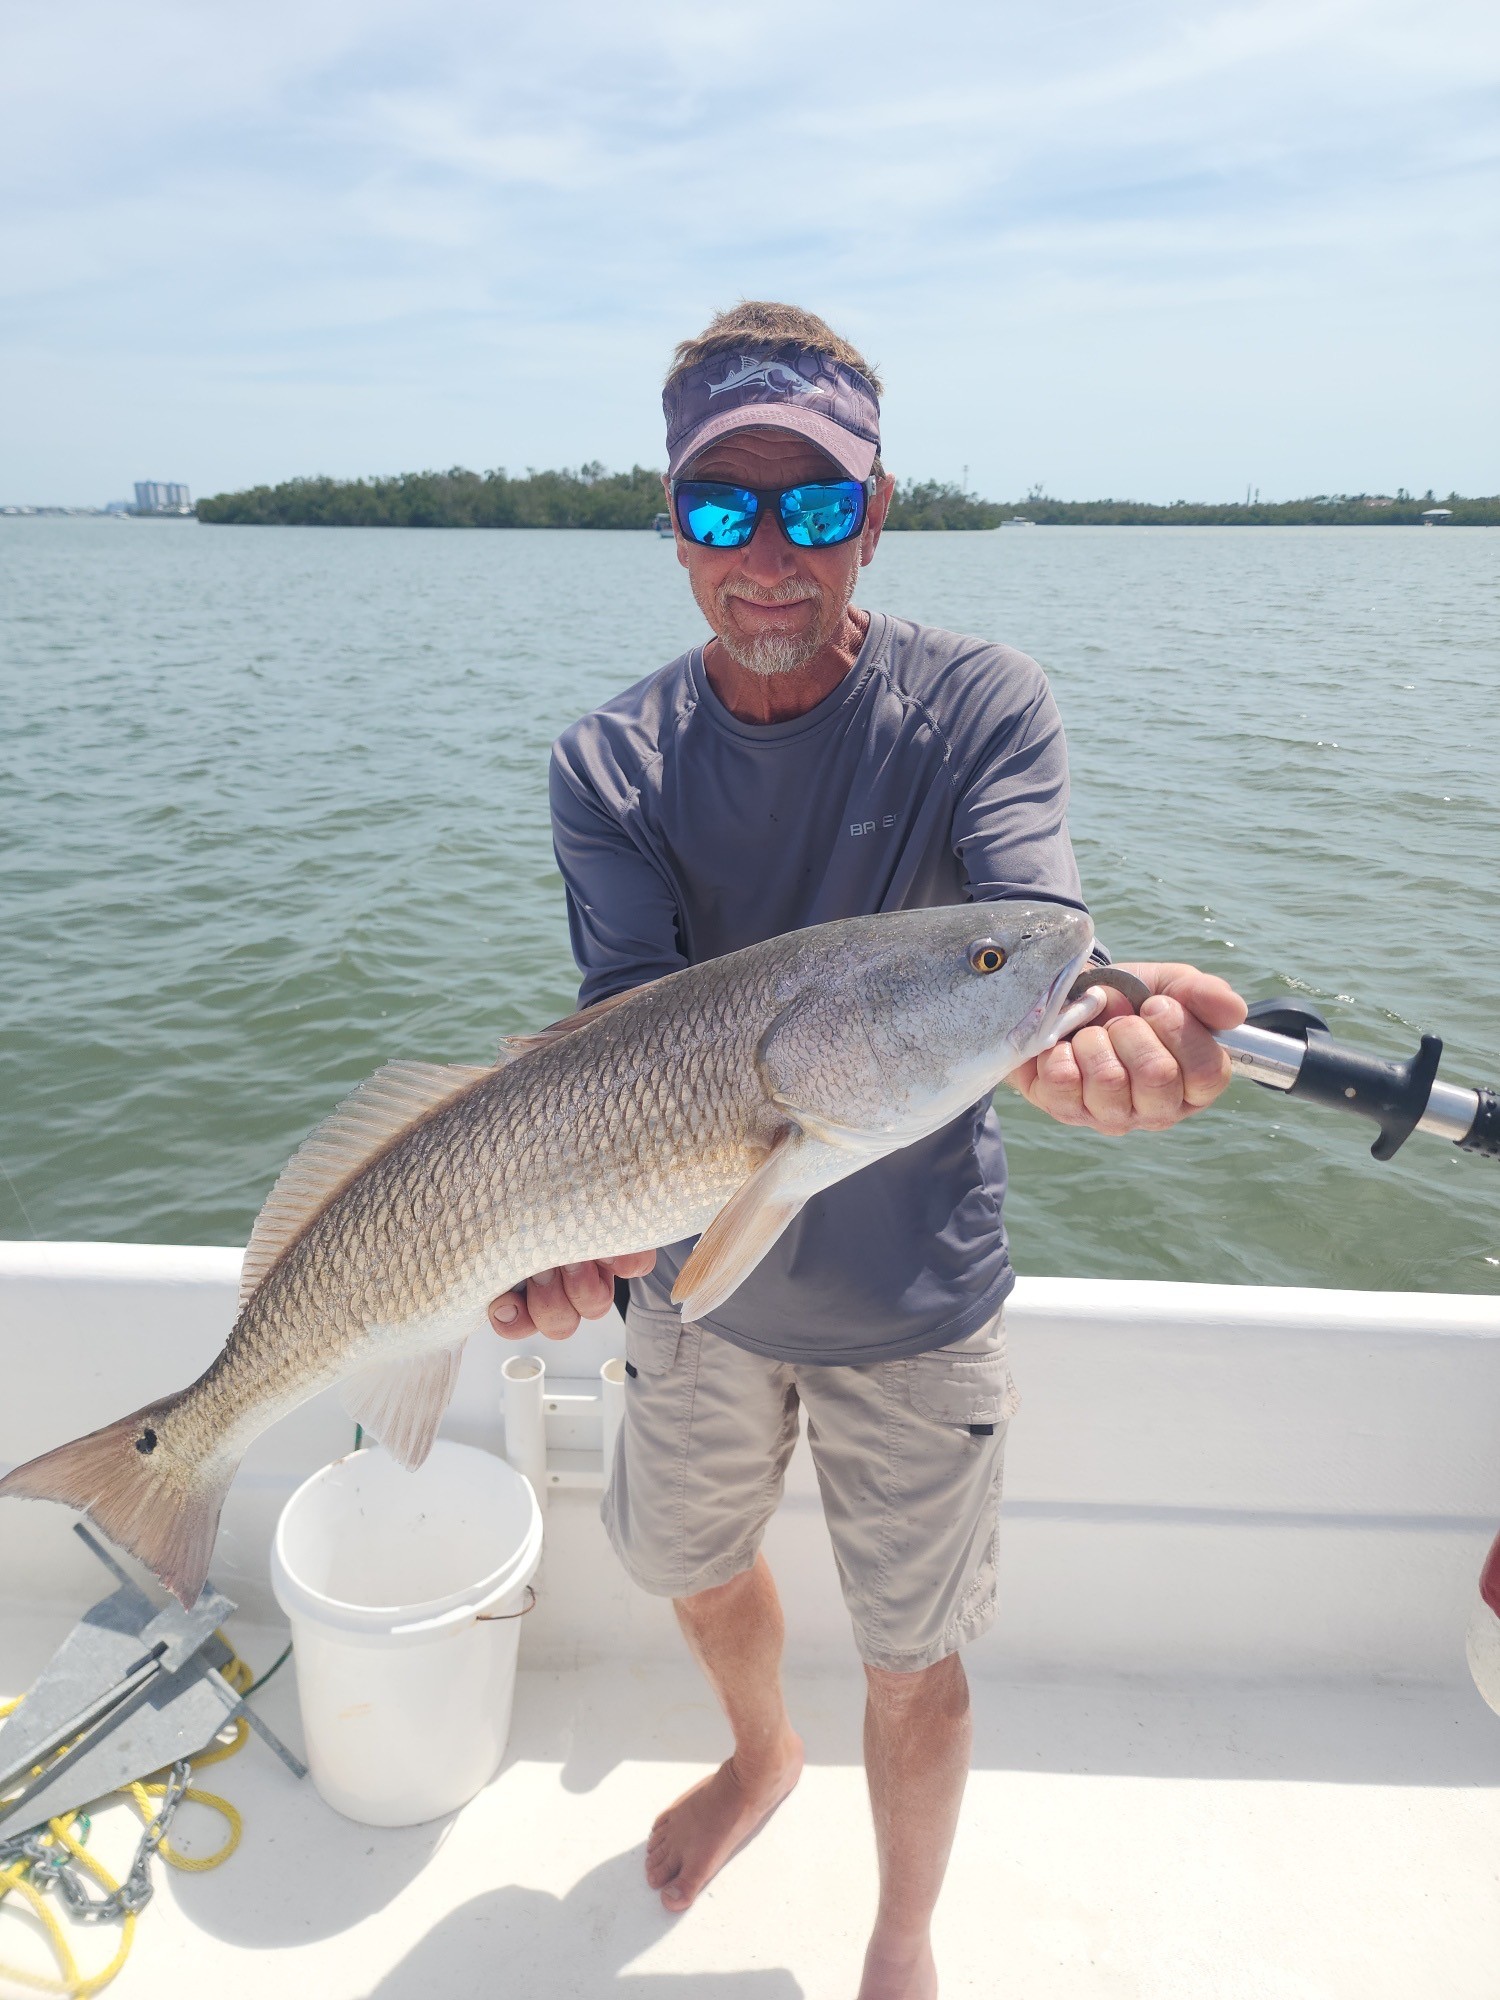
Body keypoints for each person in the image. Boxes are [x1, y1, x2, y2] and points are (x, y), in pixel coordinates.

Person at [489, 301, 1245, 2000]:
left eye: (816, 508)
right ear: (675, 526)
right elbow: (625, 1043)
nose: (770, 554)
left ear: (877, 513)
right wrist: (564, 1235)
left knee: (915, 1658)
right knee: (686, 1559)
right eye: (725, 509)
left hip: (916, 1297)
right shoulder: (608, 768)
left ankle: (902, 1931)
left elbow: (1037, 930)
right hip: (696, 1278)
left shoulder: (979, 704)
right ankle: (762, 1757)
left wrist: (1092, 1047)